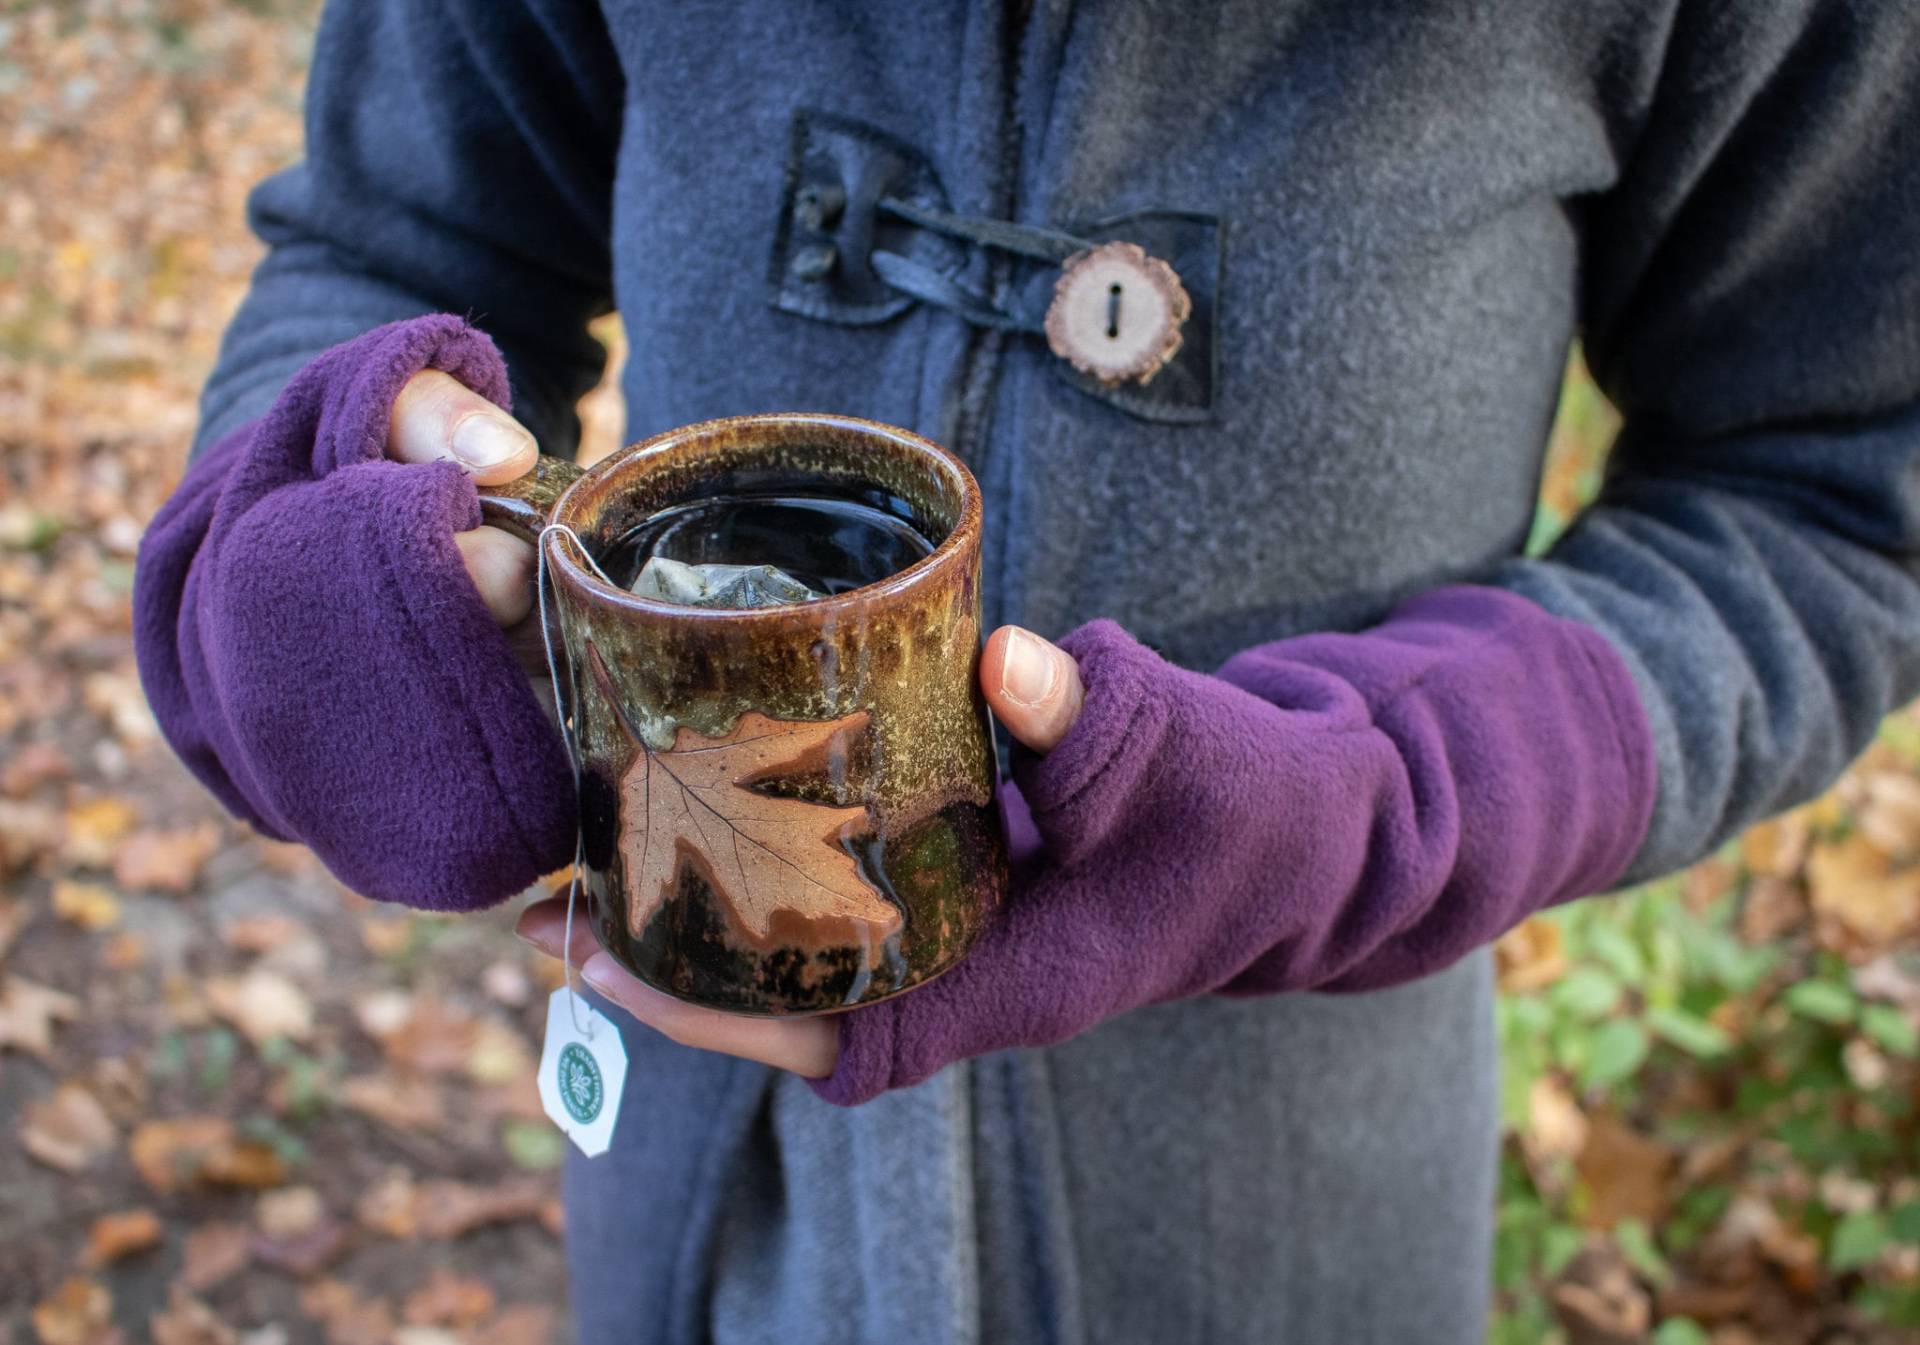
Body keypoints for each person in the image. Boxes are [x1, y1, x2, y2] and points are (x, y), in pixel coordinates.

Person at [133, 2, 1920, 1341]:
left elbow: (1841, 485)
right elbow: (386, 245)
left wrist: (1402, 789)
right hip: (695, 1205)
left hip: (1284, 1222)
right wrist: (291, 552)